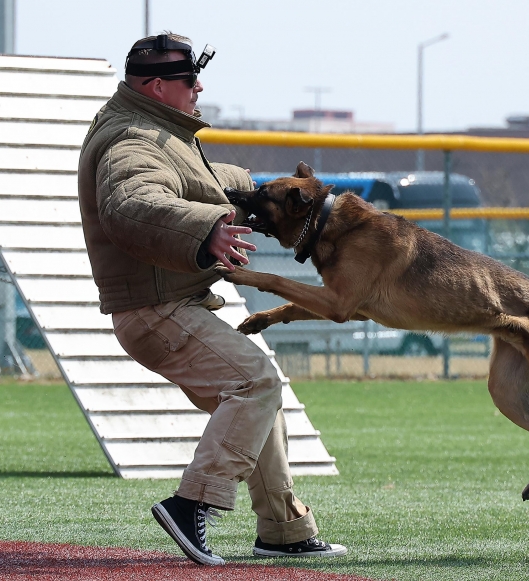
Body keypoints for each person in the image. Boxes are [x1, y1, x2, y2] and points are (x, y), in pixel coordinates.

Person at [77, 32, 346, 566]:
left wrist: (259, 194)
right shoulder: (131, 140)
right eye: (189, 79)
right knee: (254, 382)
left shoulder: (153, 129)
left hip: (169, 303)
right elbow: (132, 204)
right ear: (157, 86)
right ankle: (191, 505)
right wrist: (207, 228)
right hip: (156, 311)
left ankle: (283, 530)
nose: (198, 87)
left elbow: (194, 179)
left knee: (259, 398)